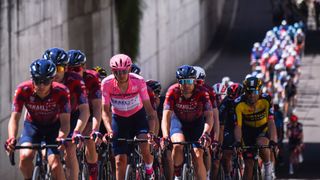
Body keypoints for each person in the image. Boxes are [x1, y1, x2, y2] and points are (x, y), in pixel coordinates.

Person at [5, 59, 70, 180]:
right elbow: (14, 118)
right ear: (32, 78)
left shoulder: (61, 91)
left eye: (45, 81)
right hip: (32, 127)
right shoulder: (23, 90)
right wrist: (12, 138)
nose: (41, 85)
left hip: (54, 128)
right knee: (25, 157)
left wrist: (61, 137)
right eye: (37, 80)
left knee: (55, 165)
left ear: (52, 80)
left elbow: (65, 122)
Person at [101, 54, 157, 180]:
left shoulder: (138, 81)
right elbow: (105, 111)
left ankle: (149, 170)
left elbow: (150, 111)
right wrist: (109, 130)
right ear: (112, 71)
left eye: (124, 72)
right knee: (119, 161)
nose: (121, 75)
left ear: (129, 70)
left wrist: (151, 132)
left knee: (144, 145)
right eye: (117, 72)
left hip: (137, 117)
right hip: (119, 119)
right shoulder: (106, 83)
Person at [43, 47, 90, 180]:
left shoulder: (75, 80)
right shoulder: (41, 81)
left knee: (70, 148)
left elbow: (85, 110)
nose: (56, 74)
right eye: (52, 68)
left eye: (60, 69)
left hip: (72, 117)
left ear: (66, 68)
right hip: (50, 118)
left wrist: (77, 131)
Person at [161, 65, 214, 180]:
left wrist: (206, 133)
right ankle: (178, 176)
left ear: (194, 81)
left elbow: (209, 116)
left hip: (196, 124)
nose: (186, 85)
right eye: (182, 81)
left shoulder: (202, 92)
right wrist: (165, 135)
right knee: (178, 144)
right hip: (178, 122)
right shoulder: (172, 91)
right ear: (178, 82)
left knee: (198, 155)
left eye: (189, 81)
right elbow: (166, 116)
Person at [67, 49, 102, 180]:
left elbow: (98, 107)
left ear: (84, 67)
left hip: (91, 112)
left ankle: (93, 171)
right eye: (68, 69)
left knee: (89, 139)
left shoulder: (91, 78)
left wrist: (95, 130)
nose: (72, 72)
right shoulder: (65, 80)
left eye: (76, 69)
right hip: (73, 113)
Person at [234, 77, 277, 180]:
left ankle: (267, 167)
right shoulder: (238, 103)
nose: (252, 95)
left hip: (263, 129)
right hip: (247, 131)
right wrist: (238, 142)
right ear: (245, 91)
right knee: (248, 165)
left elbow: (271, 122)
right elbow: (238, 126)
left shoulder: (267, 99)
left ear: (261, 90)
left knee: (261, 144)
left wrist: (272, 140)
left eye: (255, 91)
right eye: (249, 92)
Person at [193, 65, 220, 179]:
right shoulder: (185, 88)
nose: (197, 86)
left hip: (205, 120)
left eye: (199, 82)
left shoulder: (209, 91)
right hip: (191, 120)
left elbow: (215, 116)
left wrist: (216, 138)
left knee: (206, 148)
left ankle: (207, 175)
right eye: (195, 82)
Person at [219, 83, 243, 180]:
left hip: (243, 126)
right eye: (232, 98)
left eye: (237, 98)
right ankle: (227, 174)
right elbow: (220, 123)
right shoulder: (225, 102)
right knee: (226, 153)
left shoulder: (246, 100)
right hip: (229, 127)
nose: (234, 101)